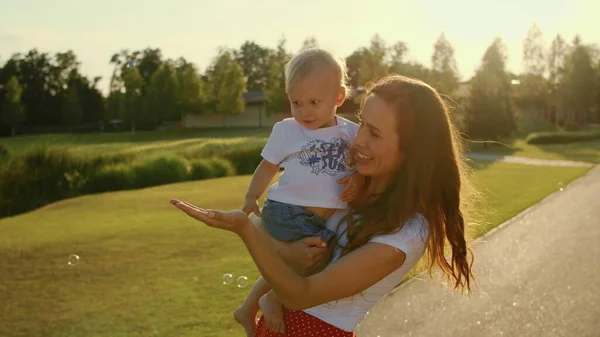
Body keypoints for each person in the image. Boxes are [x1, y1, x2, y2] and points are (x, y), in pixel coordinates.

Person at [171, 74, 476, 337]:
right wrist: (279, 245)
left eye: (375, 133)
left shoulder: (407, 232)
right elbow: (287, 238)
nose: (357, 141)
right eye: (362, 124)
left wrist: (245, 228)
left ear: (412, 151)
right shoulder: (351, 183)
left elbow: (302, 294)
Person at [237, 47, 365, 336]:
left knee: (292, 262)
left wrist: (357, 179)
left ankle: (248, 306)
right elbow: (267, 168)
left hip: (318, 219)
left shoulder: (350, 133)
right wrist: (249, 197)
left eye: (313, 102)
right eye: (296, 103)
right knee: (324, 260)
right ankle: (273, 299)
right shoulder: (287, 131)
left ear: (339, 97)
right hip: (287, 211)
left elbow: (361, 166)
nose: (304, 111)